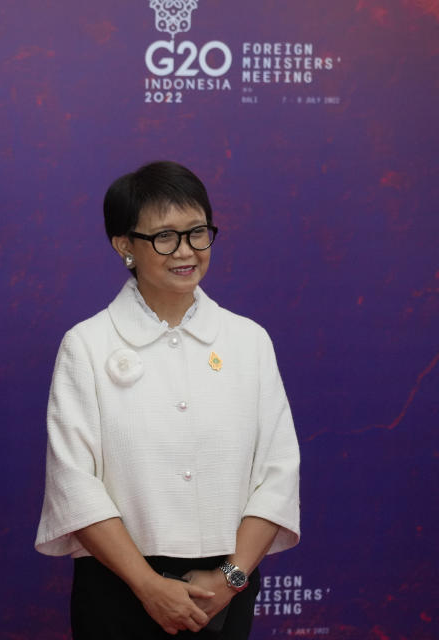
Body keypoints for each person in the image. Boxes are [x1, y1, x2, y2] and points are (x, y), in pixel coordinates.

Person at [35, 161, 300, 639]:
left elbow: (279, 472)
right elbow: (74, 484)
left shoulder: (248, 341)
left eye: (197, 233)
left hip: (226, 591)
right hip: (119, 589)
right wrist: (148, 584)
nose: (186, 251)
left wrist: (231, 579)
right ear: (124, 245)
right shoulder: (87, 344)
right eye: (165, 237)